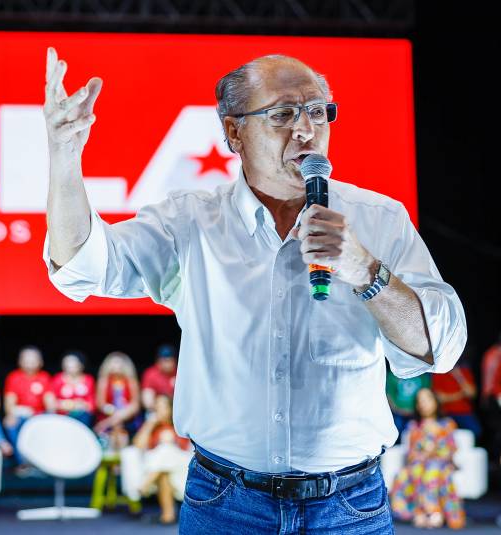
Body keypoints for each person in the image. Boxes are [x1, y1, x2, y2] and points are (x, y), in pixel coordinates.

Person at [41, 48, 466, 533]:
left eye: (317, 111)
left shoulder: (380, 219)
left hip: (349, 508)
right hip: (225, 504)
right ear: (233, 133)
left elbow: (440, 348)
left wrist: (365, 269)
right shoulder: (191, 222)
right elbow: (83, 265)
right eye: (283, 114)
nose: (306, 129)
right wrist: (64, 156)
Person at [388, 387, 465, 529]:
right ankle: (417, 513)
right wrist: (423, 455)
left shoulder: (446, 424)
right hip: (419, 463)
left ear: (435, 401)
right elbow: (411, 453)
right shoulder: (414, 426)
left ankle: (433, 512)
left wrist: (433, 451)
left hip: (440, 463)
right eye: (420, 401)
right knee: (405, 473)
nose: (423, 404)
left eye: (427, 399)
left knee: (432, 470)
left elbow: (450, 449)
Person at [132, 395, 193, 525]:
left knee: (167, 449)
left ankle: (146, 484)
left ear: (171, 409)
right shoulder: (152, 427)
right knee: (164, 471)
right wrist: (149, 425)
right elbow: (138, 446)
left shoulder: (178, 426)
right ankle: (168, 515)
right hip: (163, 467)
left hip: (180, 465)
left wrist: (171, 441)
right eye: (157, 408)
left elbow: (185, 449)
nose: (159, 411)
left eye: (162, 407)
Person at [3, 346, 53, 468]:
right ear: (20, 361)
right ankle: (22, 463)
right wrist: (11, 415)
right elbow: (9, 402)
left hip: (39, 416)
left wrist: (51, 415)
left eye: (33, 359)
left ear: (40, 362)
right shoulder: (14, 377)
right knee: (10, 424)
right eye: (26, 359)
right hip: (21, 416)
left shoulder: (44, 377)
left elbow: (50, 401)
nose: (30, 362)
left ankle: (42, 464)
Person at [94, 351, 141, 450]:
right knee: (117, 425)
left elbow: (135, 405)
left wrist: (120, 415)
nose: (117, 366)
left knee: (119, 426)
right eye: (114, 363)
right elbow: (100, 404)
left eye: (119, 363)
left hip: (127, 418)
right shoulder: (104, 381)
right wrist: (113, 411)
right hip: (108, 415)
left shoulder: (131, 382)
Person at [431, 363, 480, 438]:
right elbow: (440, 398)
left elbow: (472, 393)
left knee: (476, 431)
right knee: (444, 435)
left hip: (465, 412)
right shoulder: (439, 373)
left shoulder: (464, 371)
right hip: (447, 413)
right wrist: (461, 394)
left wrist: (458, 376)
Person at [49, 350, 95, 426]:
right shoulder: (58, 379)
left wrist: (83, 405)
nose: (70, 365)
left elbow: (91, 405)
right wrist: (72, 405)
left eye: (73, 363)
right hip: (62, 416)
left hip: (82, 417)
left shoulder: (88, 380)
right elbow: (52, 403)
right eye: (67, 363)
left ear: (81, 365)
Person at [387, 366, 431, 435]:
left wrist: (419, 410)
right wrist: (399, 410)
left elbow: (427, 393)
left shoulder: (422, 372)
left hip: (419, 411)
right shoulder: (393, 373)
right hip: (399, 413)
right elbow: (389, 397)